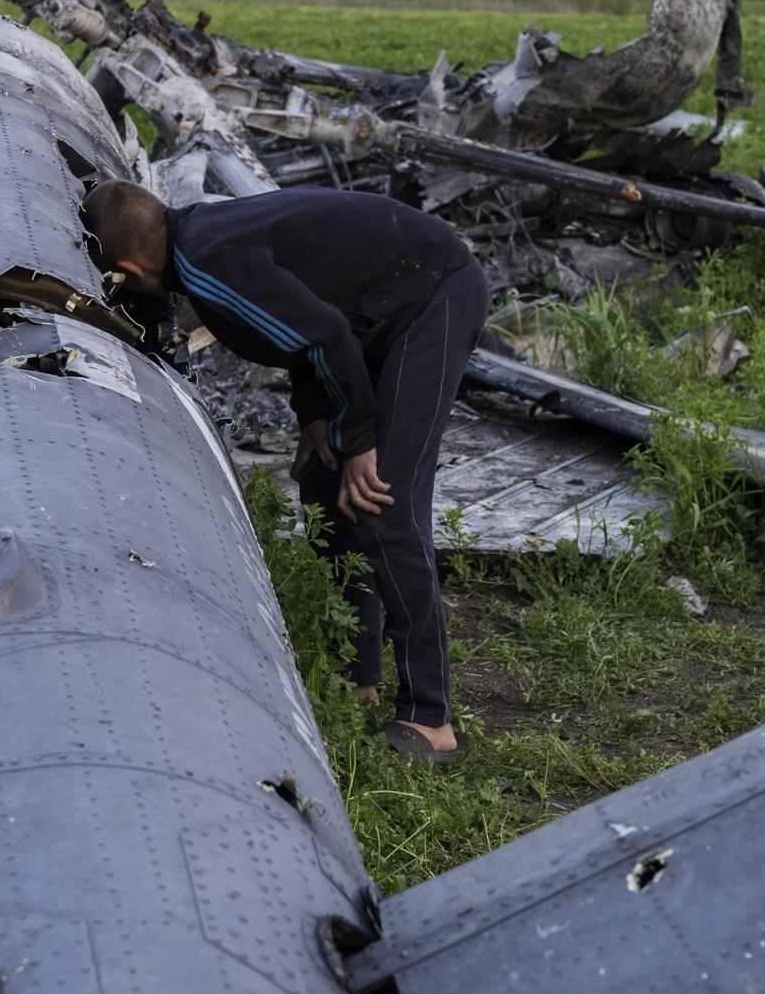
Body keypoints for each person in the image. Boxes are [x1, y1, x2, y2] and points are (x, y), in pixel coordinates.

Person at [81, 179, 487, 759]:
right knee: (325, 484)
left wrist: (360, 441)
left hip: (432, 295)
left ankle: (431, 719)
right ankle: (360, 680)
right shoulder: (201, 233)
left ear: (127, 267)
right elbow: (301, 321)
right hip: (380, 306)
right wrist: (318, 421)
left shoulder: (205, 266)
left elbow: (324, 333)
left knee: (380, 504)